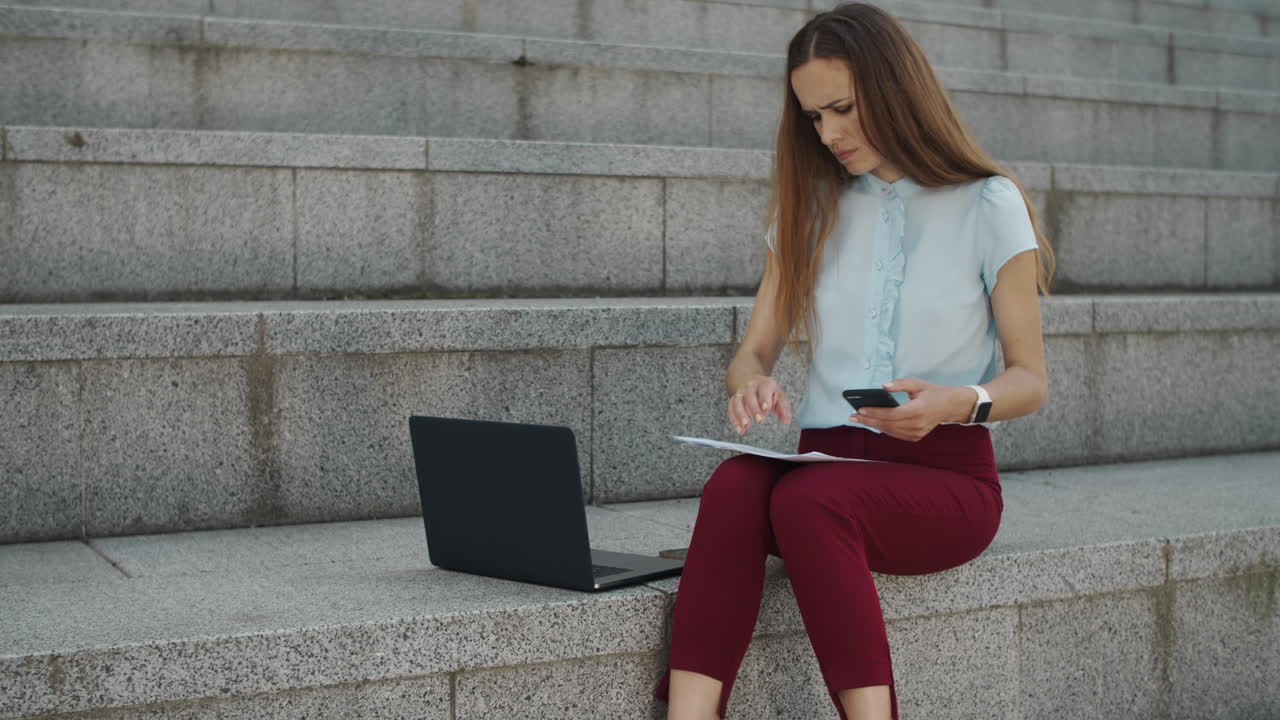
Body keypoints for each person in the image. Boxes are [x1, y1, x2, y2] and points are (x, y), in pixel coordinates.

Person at [653, 4, 1055, 719]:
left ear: (894, 86)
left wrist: (954, 402)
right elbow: (754, 350)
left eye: (842, 108)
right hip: (821, 473)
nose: (829, 134)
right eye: (813, 117)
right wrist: (749, 382)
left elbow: (1030, 380)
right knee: (735, 486)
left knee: (810, 500)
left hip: (945, 482)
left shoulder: (989, 203)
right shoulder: (811, 210)